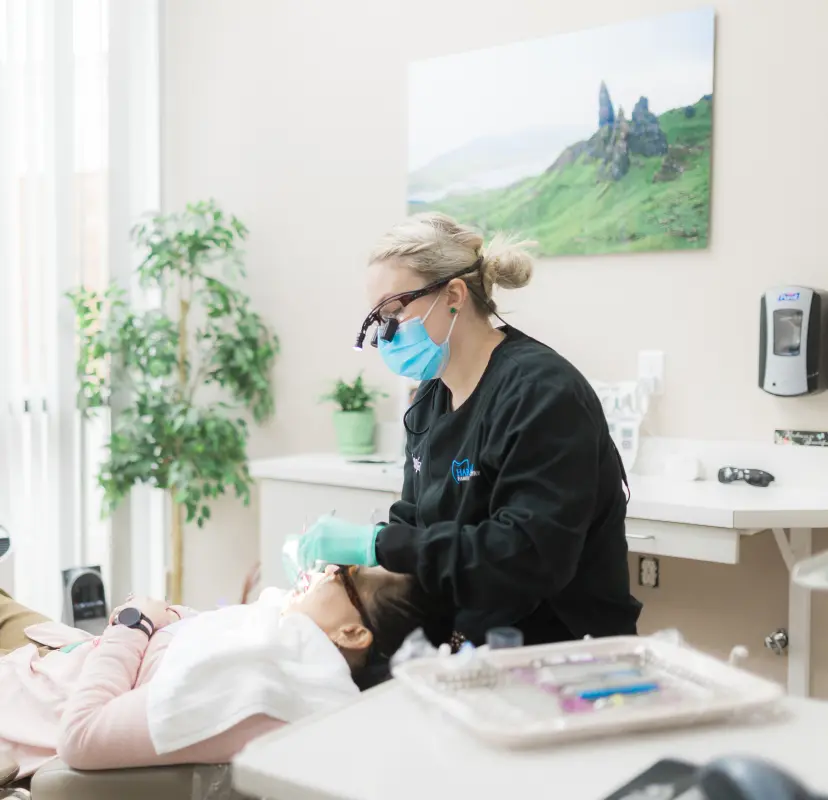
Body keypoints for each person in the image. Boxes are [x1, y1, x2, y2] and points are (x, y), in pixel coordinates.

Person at [296, 212, 642, 648]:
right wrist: (354, 571)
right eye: (375, 319)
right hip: (470, 641)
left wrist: (379, 545)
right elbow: (416, 524)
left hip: (563, 649)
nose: (384, 335)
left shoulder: (541, 393)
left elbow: (527, 557)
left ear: (454, 296)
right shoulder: (429, 398)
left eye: (393, 312)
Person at [0, 567, 430, 779]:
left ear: (353, 633)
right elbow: (192, 629)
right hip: (57, 655)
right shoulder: (282, 641)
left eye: (342, 576)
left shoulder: (263, 681)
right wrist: (158, 620)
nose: (321, 571)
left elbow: (80, 736)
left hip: (29, 699)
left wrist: (132, 623)